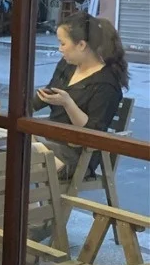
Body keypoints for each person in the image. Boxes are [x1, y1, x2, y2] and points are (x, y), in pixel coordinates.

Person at [33, 11, 129, 179]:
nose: (60, 49)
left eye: (63, 43)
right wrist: (17, 109)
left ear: (81, 45)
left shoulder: (106, 85)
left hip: (77, 158)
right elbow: (47, 93)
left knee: (13, 155)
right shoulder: (67, 65)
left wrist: (68, 103)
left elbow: (92, 133)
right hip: (50, 142)